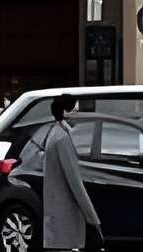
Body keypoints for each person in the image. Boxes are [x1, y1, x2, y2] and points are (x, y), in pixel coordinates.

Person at [38, 97, 99, 252]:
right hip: (64, 215)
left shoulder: (57, 133)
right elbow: (75, 181)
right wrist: (92, 218)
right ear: (65, 112)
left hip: (57, 213)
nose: (78, 113)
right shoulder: (62, 138)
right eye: (75, 109)